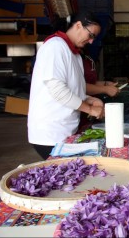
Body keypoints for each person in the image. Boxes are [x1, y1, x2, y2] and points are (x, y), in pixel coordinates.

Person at [28, 10, 104, 159]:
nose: (91, 41)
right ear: (78, 25)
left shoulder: (74, 53)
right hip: (50, 133)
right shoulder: (55, 47)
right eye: (91, 35)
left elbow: (73, 89)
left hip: (64, 131)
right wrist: (90, 109)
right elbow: (58, 91)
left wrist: (90, 99)